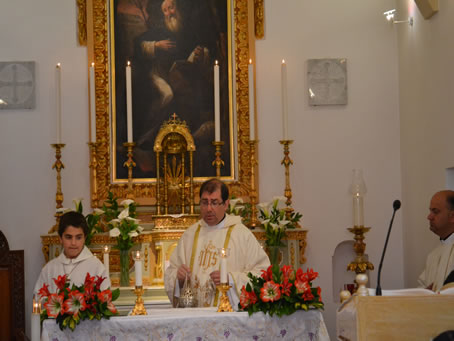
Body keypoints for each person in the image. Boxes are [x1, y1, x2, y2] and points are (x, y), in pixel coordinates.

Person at [164, 178, 270, 308]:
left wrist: (230, 280)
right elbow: (171, 272)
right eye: (204, 202)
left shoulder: (242, 235)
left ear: (225, 204)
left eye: (214, 202)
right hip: (195, 317)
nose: (209, 208)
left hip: (229, 316)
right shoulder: (189, 235)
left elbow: (262, 274)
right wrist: (178, 278)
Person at [34, 211, 111, 295]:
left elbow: (104, 300)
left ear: (84, 238)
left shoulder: (97, 267)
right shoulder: (49, 269)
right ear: (60, 238)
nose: (73, 243)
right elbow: (38, 299)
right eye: (68, 237)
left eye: (78, 237)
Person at [418, 190, 454, 292]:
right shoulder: (432, 256)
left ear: (452, 216)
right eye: (430, 211)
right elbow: (421, 289)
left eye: (435, 211)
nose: (429, 217)